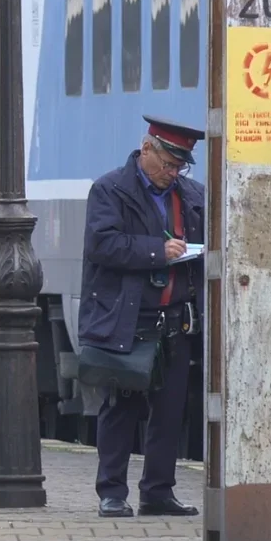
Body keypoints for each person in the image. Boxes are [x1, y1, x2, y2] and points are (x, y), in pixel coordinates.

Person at [78, 115, 206, 518]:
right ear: (146, 149)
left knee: (169, 411)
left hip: (175, 319)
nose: (172, 173)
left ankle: (157, 491)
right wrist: (156, 251)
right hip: (128, 319)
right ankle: (112, 492)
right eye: (167, 163)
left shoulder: (191, 194)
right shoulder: (110, 190)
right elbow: (102, 244)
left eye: (179, 166)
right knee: (121, 406)